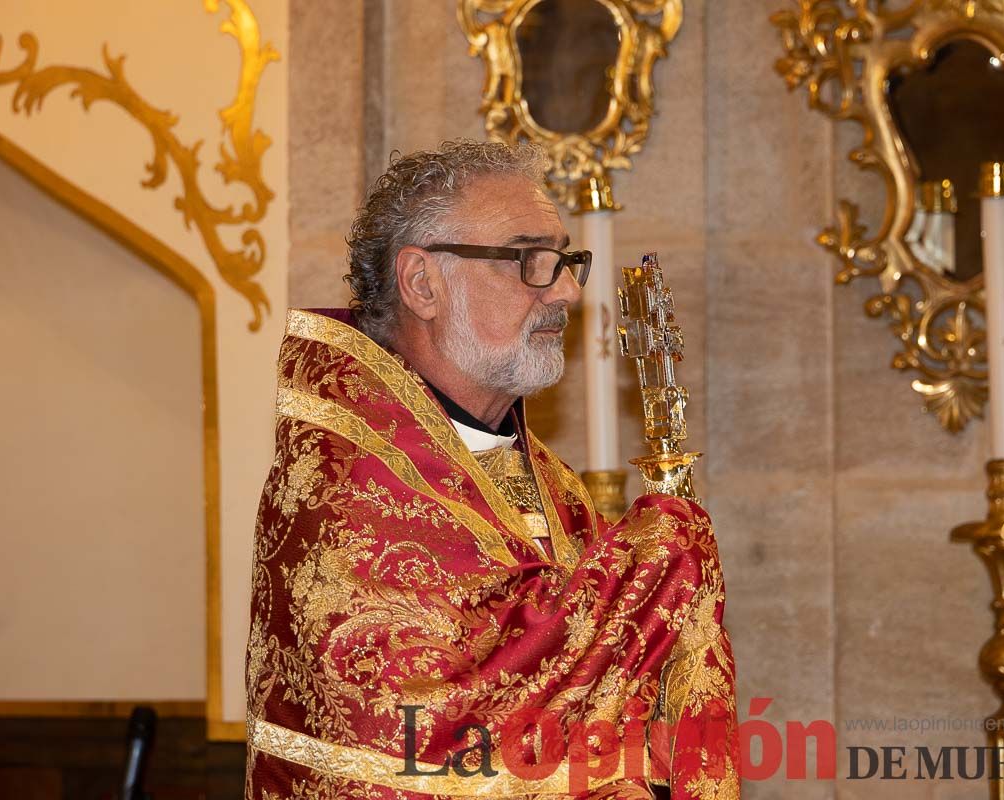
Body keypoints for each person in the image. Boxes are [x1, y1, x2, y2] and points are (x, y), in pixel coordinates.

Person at [245, 140, 739, 799]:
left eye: (567, 260)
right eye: (530, 260)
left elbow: (608, 703)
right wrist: (657, 561)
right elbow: (420, 731)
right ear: (422, 282)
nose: (565, 291)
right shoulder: (343, 484)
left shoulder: (553, 487)